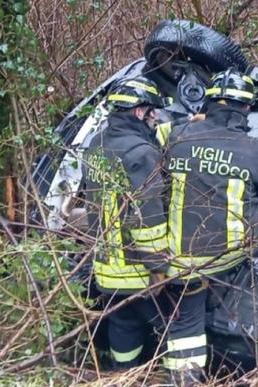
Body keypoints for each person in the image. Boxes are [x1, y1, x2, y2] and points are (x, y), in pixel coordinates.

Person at [163, 69, 258, 387]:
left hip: (180, 254)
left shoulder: (178, 136)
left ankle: (183, 386)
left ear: (207, 102)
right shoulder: (253, 150)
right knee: (191, 321)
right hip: (230, 257)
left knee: (185, 319)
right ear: (246, 108)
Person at [81, 76, 170, 370]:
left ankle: (123, 377)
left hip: (107, 269)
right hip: (138, 269)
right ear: (137, 112)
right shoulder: (142, 154)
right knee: (172, 322)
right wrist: (158, 268)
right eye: (151, 111)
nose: (154, 117)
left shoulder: (94, 145)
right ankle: (168, 379)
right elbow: (149, 220)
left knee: (123, 323)